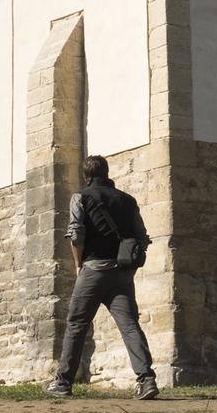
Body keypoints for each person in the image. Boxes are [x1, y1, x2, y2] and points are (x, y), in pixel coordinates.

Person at [46, 155, 159, 400]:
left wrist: (78, 265)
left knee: (77, 324)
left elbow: (76, 234)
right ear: (107, 173)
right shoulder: (128, 201)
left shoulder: (81, 197)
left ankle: (63, 382)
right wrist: (129, 268)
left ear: (85, 175)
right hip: (122, 272)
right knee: (130, 325)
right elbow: (142, 238)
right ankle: (146, 379)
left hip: (93, 270)